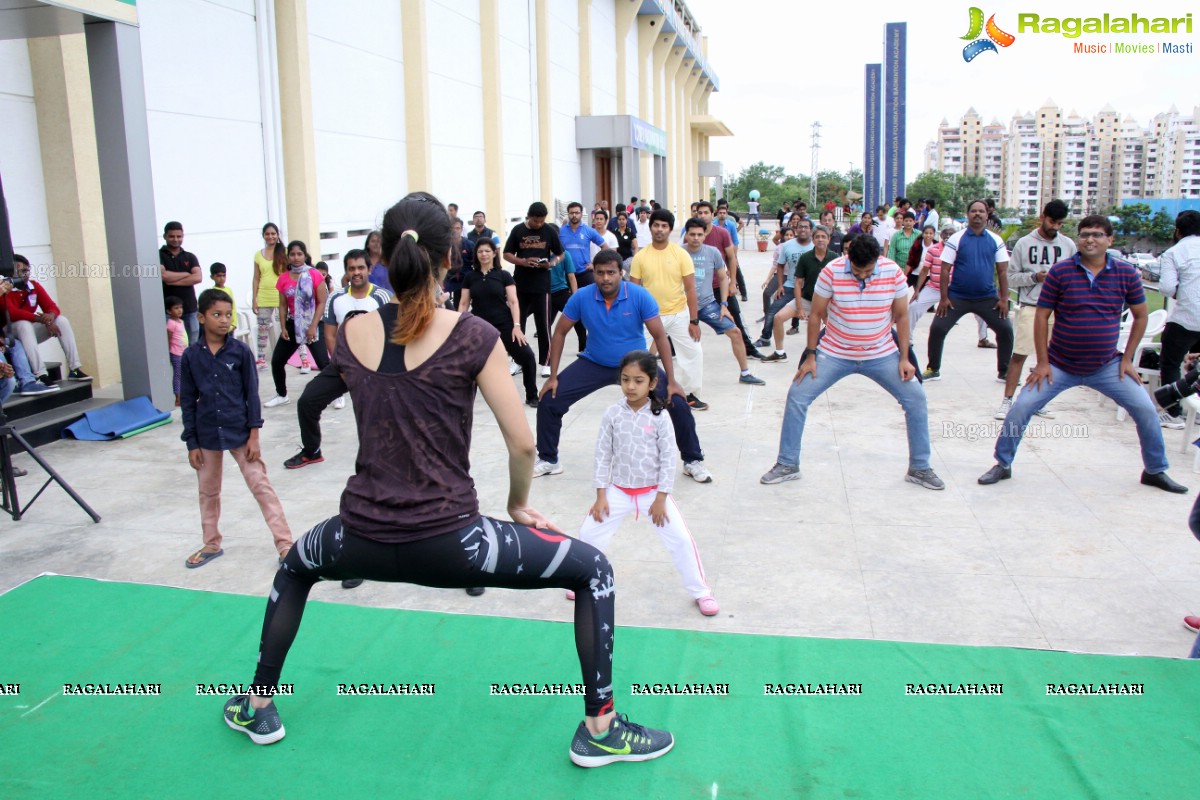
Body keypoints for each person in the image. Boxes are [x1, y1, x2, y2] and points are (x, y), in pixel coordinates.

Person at [221, 192, 674, 767]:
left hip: (358, 538)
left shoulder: (355, 330)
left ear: (382, 254)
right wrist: (516, 505)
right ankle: (600, 727)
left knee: (295, 566)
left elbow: (311, 398)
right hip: (455, 544)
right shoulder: (472, 335)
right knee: (595, 571)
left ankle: (257, 703)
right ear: (449, 256)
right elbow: (525, 443)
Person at [978, 215, 1188, 494]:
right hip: (1059, 365)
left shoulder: (1126, 274)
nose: (1090, 239)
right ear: (1078, 239)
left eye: (1098, 234)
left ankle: (1155, 470)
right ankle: (1002, 464)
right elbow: (1042, 316)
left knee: (1146, 410)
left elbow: (1140, 316)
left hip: (1106, 366)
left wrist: (1127, 359)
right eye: (1085, 234)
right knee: (1021, 407)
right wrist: (1042, 362)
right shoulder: (1061, 272)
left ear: (1110, 240)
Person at [760, 234, 944, 490]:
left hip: (881, 353)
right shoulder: (832, 271)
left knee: (916, 397)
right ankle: (787, 463)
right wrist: (811, 356)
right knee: (797, 395)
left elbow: (902, 317)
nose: (861, 276)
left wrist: (904, 358)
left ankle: (920, 467)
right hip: (835, 352)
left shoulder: (892, 272)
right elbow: (815, 315)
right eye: (856, 271)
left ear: (877, 260)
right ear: (848, 259)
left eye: (867, 271)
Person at [534, 250, 712, 484]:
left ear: (621, 273)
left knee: (677, 403)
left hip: (635, 364)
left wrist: (672, 380)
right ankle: (549, 459)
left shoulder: (639, 295)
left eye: (611, 273)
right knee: (550, 399)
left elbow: (659, 336)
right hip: (594, 361)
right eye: (600, 273)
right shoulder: (582, 297)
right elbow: (559, 332)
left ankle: (693, 460)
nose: (605, 278)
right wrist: (553, 376)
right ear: (593, 273)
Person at [569, 350, 719, 616]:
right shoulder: (612, 414)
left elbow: (668, 459)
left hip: (653, 495)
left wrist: (661, 498)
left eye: (638, 381)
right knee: (589, 534)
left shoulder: (660, 416)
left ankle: (701, 592)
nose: (630, 386)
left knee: (681, 541)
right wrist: (601, 495)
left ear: (652, 383)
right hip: (617, 492)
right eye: (625, 379)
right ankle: (580, 580)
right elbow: (603, 455)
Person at [182, 289, 293, 568]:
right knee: (208, 491)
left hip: (240, 432)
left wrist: (254, 435)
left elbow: (251, 395)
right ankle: (211, 543)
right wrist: (192, 443)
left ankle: (285, 545)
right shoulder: (190, 356)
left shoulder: (240, 352)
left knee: (261, 486)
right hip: (206, 433)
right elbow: (187, 401)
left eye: (228, 315)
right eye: (217, 314)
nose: (223, 320)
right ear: (201, 317)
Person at [283, 248, 391, 470]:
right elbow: (330, 335)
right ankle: (311, 450)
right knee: (307, 401)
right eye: (351, 268)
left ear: (369, 269)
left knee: (375, 416)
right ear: (346, 272)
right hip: (345, 365)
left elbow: (390, 335)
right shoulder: (336, 298)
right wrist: (343, 366)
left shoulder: (381, 297)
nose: (356, 272)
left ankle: (384, 460)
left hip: (376, 368)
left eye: (361, 267)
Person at [996, 200, 1075, 420]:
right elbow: (1010, 277)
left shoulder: (1068, 245)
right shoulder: (1024, 243)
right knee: (1019, 354)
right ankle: (1007, 401)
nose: (1055, 227)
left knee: (1049, 358)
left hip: (1059, 310)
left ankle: (1039, 401)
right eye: (1052, 221)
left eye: (1060, 223)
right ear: (1042, 216)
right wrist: (1034, 277)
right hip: (1032, 306)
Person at [923, 200, 1014, 383]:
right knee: (937, 328)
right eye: (973, 211)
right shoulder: (957, 239)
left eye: (981, 211)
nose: (977, 214)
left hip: (987, 297)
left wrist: (1004, 299)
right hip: (957, 297)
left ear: (987, 215)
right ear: (968, 214)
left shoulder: (995, 240)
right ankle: (933, 369)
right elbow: (945, 269)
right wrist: (943, 298)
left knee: (1005, 330)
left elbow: (1003, 271)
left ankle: (1004, 372)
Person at [629, 209, 705, 408]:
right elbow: (633, 291)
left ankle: (691, 394)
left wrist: (694, 320)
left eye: (664, 226)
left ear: (670, 229)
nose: (659, 230)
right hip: (649, 316)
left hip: (679, 313)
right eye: (656, 225)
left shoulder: (681, 254)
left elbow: (690, 289)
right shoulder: (640, 256)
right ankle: (646, 394)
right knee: (640, 357)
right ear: (650, 227)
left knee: (693, 353)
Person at [680, 218, 765, 385]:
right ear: (686, 235)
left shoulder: (713, 253)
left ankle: (745, 373)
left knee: (736, 332)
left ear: (705, 235)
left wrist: (724, 304)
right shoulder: (678, 252)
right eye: (692, 234)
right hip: (682, 307)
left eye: (699, 234)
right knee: (659, 336)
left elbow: (722, 278)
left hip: (707, 304)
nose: (696, 238)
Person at [462, 238, 539, 408]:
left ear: (494, 253)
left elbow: (513, 302)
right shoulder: (470, 277)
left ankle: (532, 395)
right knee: (469, 364)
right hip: (478, 328)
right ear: (476, 254)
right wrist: (459, 328)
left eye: (487, 251)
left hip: (504, 325)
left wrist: (517, 326)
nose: (483, 254)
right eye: (480, 251)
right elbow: (463, 304)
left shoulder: (503, 276)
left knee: (527, 357)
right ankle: (464, 401)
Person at [4, 254, 91, 382]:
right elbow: (13, 313)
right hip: (9, 332)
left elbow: (52, 306)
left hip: (28, 333)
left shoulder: (34, 286)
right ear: (11, 273)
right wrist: (40, 319)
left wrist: (50, 317)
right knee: (24, 324)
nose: (25, 274)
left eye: (27, 270)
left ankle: (75, 368)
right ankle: (40, 373)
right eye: (21, 271)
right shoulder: (4, 289)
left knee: (61, 320)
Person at [503, 202, 566, 376]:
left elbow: (561, 254)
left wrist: (551, 263)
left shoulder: (549, 231)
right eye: (535, 221)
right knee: (518, 324)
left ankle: (546, 362)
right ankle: (518, 360)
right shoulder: (518, 231)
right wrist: (523, 262)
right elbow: (506, 254)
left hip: (542, 286)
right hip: (521, 285)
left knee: (544, 325)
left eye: (541, 221)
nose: (538, 224)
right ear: (529, 216)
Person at [761, 225, 839, 363]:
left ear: (829, 239)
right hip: (807, 299)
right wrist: (800, 307)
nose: (820, 240)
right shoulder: (805, 258)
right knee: (778, 318)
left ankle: (832, 355)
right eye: (817, 237)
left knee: (834, 327)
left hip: (827, 302)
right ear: (813, 240)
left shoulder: (835, 258)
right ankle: (779, 353)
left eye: (823, 237)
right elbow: (798, 283)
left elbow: (839, 284)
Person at [265, 241, 329, 408]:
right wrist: (284, 327)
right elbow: (283, 304)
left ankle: (334, 395)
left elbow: (322, 302)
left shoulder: (314, 275)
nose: (296, 257)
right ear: (288, 256)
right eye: (292, 254)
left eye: (299, 254)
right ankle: (282, 394)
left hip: (313, 323)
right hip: (293, 324)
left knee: (323, 362)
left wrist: (313, 326)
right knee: (277, 361)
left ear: (305, 255)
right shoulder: (283, 278)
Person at [1156, 210, 1200, 428]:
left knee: (1170, 363)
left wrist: (1179, 291)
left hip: (1187, 317)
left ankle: (1173, 412)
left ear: (1178, 230)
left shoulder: (1174, 252)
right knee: (1197, 365)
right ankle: (1197, 410)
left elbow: (1166, 287)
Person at [159, 221, 202, 344]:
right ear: (165, 237)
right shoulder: (158, 255)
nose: (175, 239)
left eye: (179, 236)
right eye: (171, 236)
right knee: (172, 346)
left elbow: (198, 277)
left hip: (190, 309)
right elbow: (164, 276)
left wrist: (171, 281)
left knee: (193, 344)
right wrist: (186, 274)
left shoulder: (190, 257)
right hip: (168, 311)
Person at [252, 223, 285, 369]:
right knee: (263, 328)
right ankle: (261, 358)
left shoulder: (285, 251)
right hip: (264, 296)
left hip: (282, 295)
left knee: (288, 326)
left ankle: (300, 358)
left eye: (273, 233)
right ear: (263, 235)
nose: (270, 236)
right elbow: (256, 278)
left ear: (277, 235)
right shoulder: (258, 255)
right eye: (267, 234)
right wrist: (255, 299)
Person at [443, 218, 473, 310]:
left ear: (461, 229)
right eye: (452, 228)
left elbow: (476, 262)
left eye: (457, 228)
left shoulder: (469, 244)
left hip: (465, 279)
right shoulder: (445, 245)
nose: (455, 230)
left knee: (461, 305)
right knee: (445, 304)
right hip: (449, 279)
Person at [166, 296, 186, 407]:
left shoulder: (181, 321)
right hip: (176, 353)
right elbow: (169, 338)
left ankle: (184, 395)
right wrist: (168, 351)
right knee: (178, 376)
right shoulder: (171, 324)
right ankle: (178, 398)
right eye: (176, 308)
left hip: (183, 352)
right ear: (169, 311)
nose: (179, 310)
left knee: (184, 375)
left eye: (181, 307)